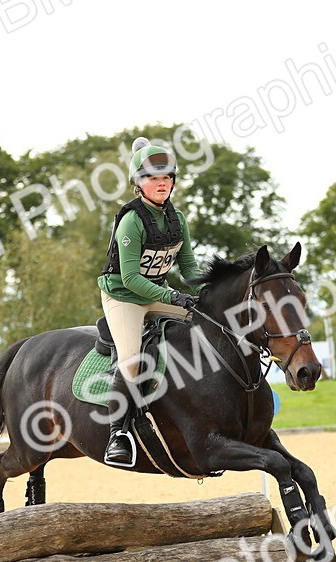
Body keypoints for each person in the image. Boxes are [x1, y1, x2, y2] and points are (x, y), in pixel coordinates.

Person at [97, 137, 202, 467]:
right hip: (124, 298)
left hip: (156, 293)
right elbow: (130, 279)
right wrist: (172, 295)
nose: (161, 183)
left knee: (207, 325)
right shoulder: (131, 220)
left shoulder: (178, 219)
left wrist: (210, 290)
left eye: (167, 177)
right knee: (131, 359)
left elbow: (189, 268)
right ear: (138, 183)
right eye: (153, 178)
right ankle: (117, 434)